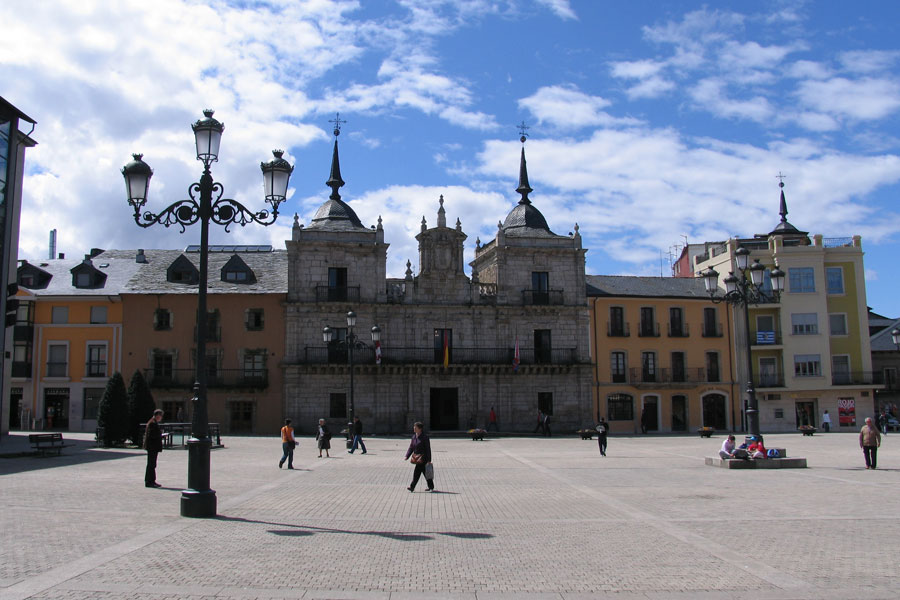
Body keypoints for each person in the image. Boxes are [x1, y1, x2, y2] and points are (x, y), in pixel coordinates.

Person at [404, 421, 434, 492]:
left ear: (420, 429)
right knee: (425, 473)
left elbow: (428, 449)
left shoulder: (425, 437)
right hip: (417, 458)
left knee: (417, 473)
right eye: (414, 427)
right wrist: (407, 456)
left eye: (415, 427)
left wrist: (429, 459)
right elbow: (411, 447)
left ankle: (412, 486)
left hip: (423, 458)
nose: (414, 428)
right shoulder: (414, 437)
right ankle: (431, 486)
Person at [143, 409, 164, 488]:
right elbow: (151, 435)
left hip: (152, 447)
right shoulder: (152, 423)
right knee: (151, 464)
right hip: (152, 447)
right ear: (157, 415)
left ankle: (152, 480)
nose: (161, 417)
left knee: (152, 464)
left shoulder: (153, 422)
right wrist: (160, 435)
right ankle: (149, 481)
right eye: (160, 415)